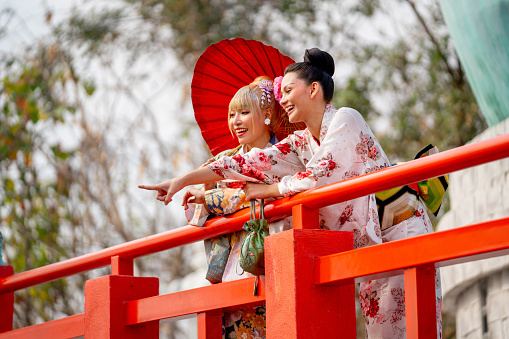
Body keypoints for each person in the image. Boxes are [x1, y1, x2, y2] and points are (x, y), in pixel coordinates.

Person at [139, 48, 442, 338]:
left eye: (287, 90)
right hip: (367, 241)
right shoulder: (300, 141)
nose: (281, 99)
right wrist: (180, 180)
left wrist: (269, 188)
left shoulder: (346, 119)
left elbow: (316, 176)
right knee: (382, 330)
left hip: (399, 226)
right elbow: (246, 161)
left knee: (415, 326)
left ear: (313, 90)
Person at [184, 75, 300, 339]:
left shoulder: (285, 154)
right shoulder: (222, 160)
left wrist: (217, 198)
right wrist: (197, 194)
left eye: (244, 113)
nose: (235, 121)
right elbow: (198, 214)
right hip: (230, 264)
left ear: (267, 114)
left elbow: (264, 196)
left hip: (272, 254)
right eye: (231, 114)